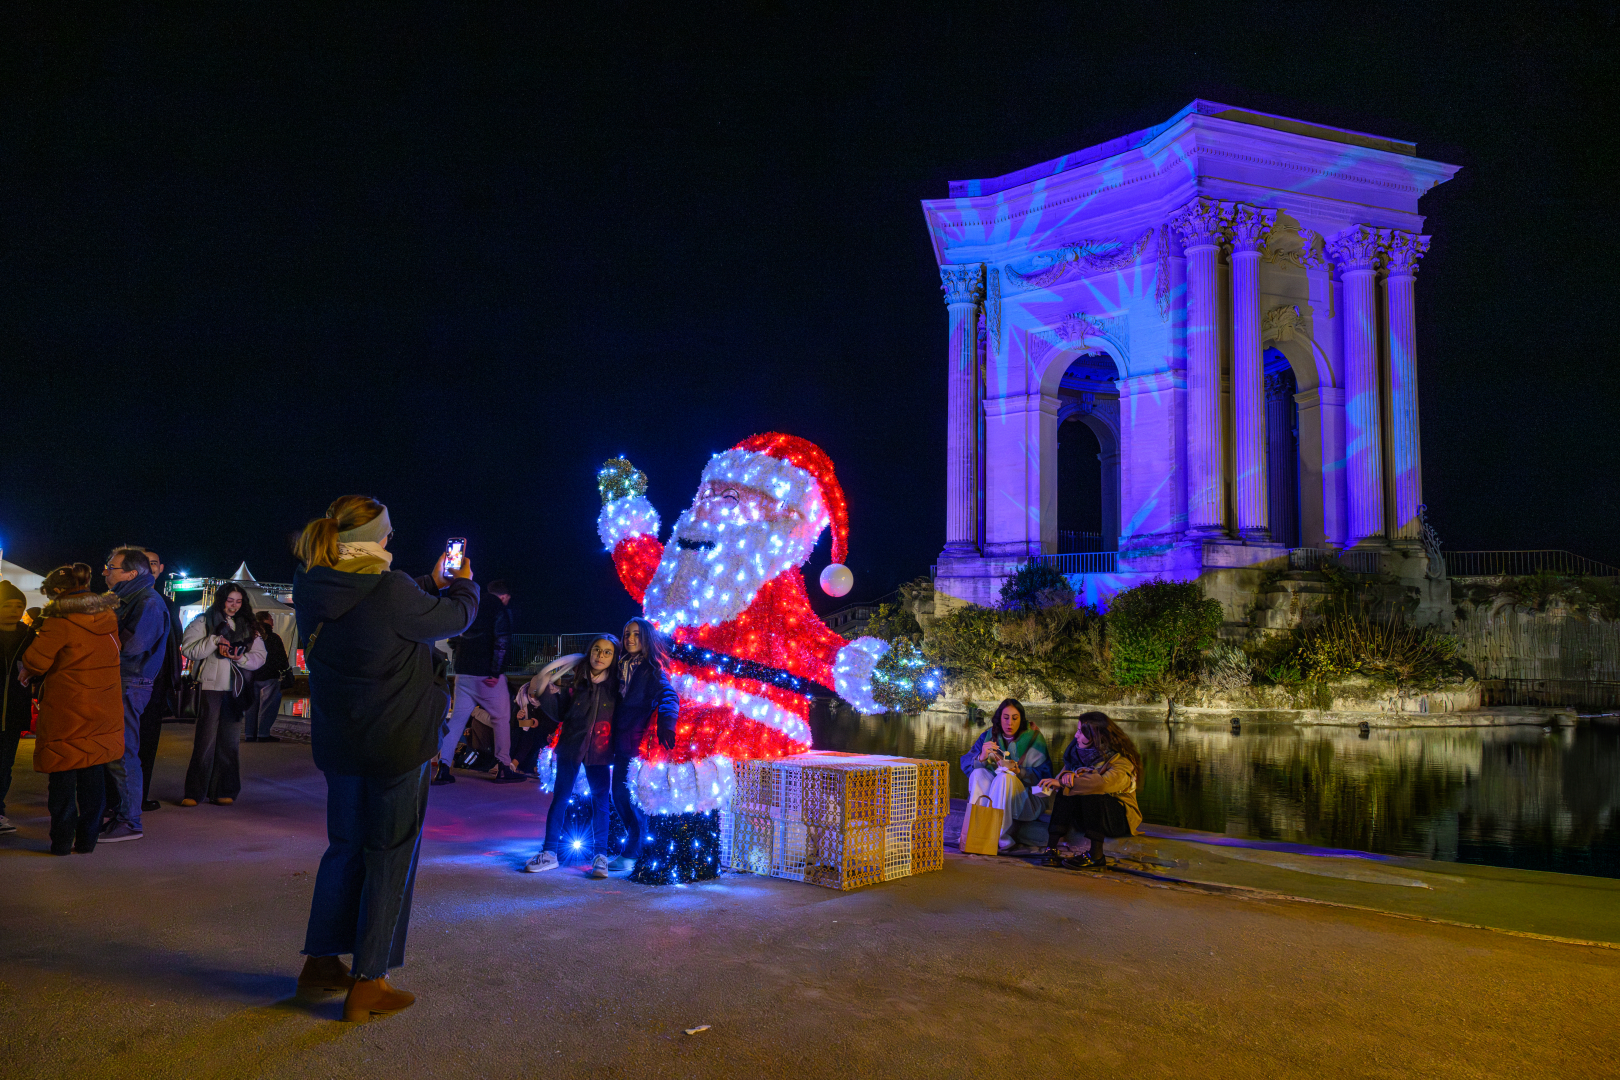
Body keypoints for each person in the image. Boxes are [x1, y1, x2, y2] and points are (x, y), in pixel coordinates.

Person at [292, 495, 477, 1023]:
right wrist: (462, 583)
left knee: (344, 849)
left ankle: (320, 962)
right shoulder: (390, 589)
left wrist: (427, 582)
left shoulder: (312, 583)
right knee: (390, 854)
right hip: (397, 742)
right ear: (372, 539)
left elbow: (374, 602)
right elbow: (456, 618)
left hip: (341, 742)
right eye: (386, 532)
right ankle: (370, 980)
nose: (390, 539)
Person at [21, 564, 124, 855]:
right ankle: (88, 840)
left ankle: (62, 842)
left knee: (63, 778)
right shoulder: (107, 615)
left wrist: (27, 668)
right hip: (103, 706)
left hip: (68, 709)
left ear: (56, 591)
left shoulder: (59, 619)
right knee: (93, 775)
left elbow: (37, 661)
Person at [521, 635, 622, 875]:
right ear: (590, 652)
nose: (600, 655)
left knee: (601, 802)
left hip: (600, 752)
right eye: (596, 649)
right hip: (570, 748)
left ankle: (600, 856)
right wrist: (544, 688)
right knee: (560, 798)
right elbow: (559, 712)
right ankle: (549, 853)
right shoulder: (578, 684)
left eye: (607, 652)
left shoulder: (617, 688)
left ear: (614, 657)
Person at [100, 545, 172, 841]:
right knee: (115, 751)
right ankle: (120, 814)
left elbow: (131, 646)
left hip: (130, 682)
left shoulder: (148, 602)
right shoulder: (127, 599)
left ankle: (130, 821)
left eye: (111, 567)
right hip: (122, 681)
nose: (105, 572)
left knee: (123, 751)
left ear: (131, 573)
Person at [178, 583, 265, 806]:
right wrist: (214, 640)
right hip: (210, 688)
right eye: (230, 601)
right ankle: (194, 792)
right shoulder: (203, 621)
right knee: (205, 741)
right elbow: (188, 650)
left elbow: (260, 656)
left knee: (230, 742)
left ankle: (224, 789)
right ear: (221, 600)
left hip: (236, 690)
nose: (234, 606)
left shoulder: (249, 626)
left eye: (238, 601)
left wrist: (240, 658)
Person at [431, 579, 520, 785]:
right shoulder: (499, 609)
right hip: (487, 675)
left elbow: (454, 637)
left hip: (463, 674)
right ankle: (504, 767)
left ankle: (443, 768)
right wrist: (495, 672)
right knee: (501, 719)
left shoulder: (473, 604)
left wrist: (462, 656)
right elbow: (502, 640)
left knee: (456, 721)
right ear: (504, 596)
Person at [610, 616, 679, 869]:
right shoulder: (618, 665)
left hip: (634, 741)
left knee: (628, 796)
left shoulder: (652, 669)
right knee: (618, 795)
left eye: (637, 635)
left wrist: (666, 723)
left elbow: (669, 695)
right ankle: (634, 845)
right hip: (615, 740)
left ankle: (633, 851)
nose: (630, 639)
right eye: (627, 634)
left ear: (647, 638)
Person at [1036, 711, 1143, 870]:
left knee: (1091, 791)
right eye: (1077, 730)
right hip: (1088, 818)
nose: (1076, 735)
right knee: (1067, 792)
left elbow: (1102, 784)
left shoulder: (1121, 760)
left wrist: (1068, 781)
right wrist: (1065, 777)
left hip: (1117, 820)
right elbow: (1060, 780)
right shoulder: (1076, 755)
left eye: (1081, 731)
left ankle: (1096, 856)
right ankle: (1051, 848)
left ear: (1095, 736)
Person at [957, 698, 1053, 853]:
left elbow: (1046, 782)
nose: (1010, 723)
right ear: (999, 718)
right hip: (995, 795)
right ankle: (976, 830)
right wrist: (982, 757)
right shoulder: (989, 736)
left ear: (1021, 719)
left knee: (1005, 777)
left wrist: (1018, 771)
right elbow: (966, 764)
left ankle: (999, 836)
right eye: (1006, 718)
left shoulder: (1035, 739)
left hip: (1029, 797)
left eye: (1015, 718)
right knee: (978, 773)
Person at [136, 548, 183, 811]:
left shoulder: (167, 602)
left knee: (148, 740)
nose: (150, 567)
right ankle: (116, 799)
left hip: (157, 681)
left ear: (161, 568)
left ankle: (139, 796)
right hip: (132, 679)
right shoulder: (126, 598)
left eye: (154, 563)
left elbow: (176, 639)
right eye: (145, 562)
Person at [0, 579, 38, 835]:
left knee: (4, 766)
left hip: (14, 711)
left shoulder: (29, 636)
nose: (14, 610)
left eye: (18, 606)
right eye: (7, 605)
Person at [245, 610, 290, 743]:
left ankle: (249, 734)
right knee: (269, 706)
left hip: (252, 675)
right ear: (265, 620)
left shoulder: (251, 635)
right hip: (270, 675)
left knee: (251, 707)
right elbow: (281, 657)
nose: (272, 620)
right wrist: (285, 670)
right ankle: (263, 733)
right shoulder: (273, 637)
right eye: (270, 618)